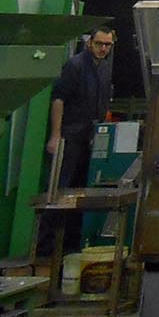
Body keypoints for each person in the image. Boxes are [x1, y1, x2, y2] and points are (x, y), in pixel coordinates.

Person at [42, 25, 115, 251]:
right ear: (89, 43)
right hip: (70, 136)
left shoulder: (103, 69)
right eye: (99, 44)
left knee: (80, 193)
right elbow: (58, 99)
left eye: (107, 45)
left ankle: (70, 246)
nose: (103, 48)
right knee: (59, 191)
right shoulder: (75, 66)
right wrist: (56, 136)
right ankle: (46, 247)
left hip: (89, 137)